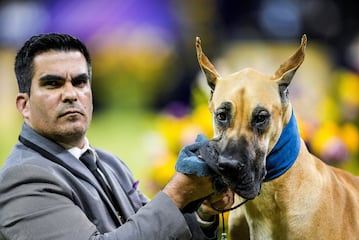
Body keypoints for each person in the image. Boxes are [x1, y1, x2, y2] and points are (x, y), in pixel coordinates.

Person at [0, 33, 234, 240]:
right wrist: (177, 193)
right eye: (53, 84)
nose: (71, 94)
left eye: (80, 82)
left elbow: (156, 232)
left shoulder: (110, 163)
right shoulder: (22, 179)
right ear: (24, 105)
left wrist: (203, 213)